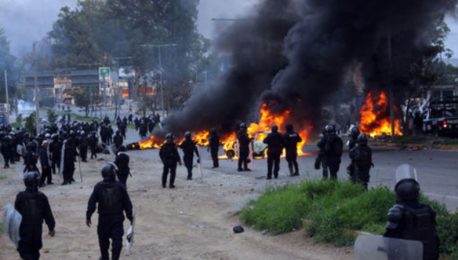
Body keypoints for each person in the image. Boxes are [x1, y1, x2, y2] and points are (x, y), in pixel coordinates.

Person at [384, 165, 439, 260]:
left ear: (398, 193)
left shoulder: (397, 212)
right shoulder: (428, 210)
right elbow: (435, 236)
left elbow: (390, 241)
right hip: (429, 256)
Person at [86, 164, 133, 260]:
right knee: (116, 243)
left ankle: (105, 257)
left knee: (104, 242)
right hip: (115, 219)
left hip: (106, 219)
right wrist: (130, 217)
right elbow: (127, 204)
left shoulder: (99, 186)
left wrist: (88, 215)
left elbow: (92, 202)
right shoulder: (120, 186)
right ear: (113, 174)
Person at [15, 171, 56, 260]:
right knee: (34, 253)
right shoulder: (42, 197)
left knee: (27, 252)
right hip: (36, 231)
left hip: (24, 231)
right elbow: (48, 214)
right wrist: (51, 227)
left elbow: (15, 214)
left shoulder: (20, 196)